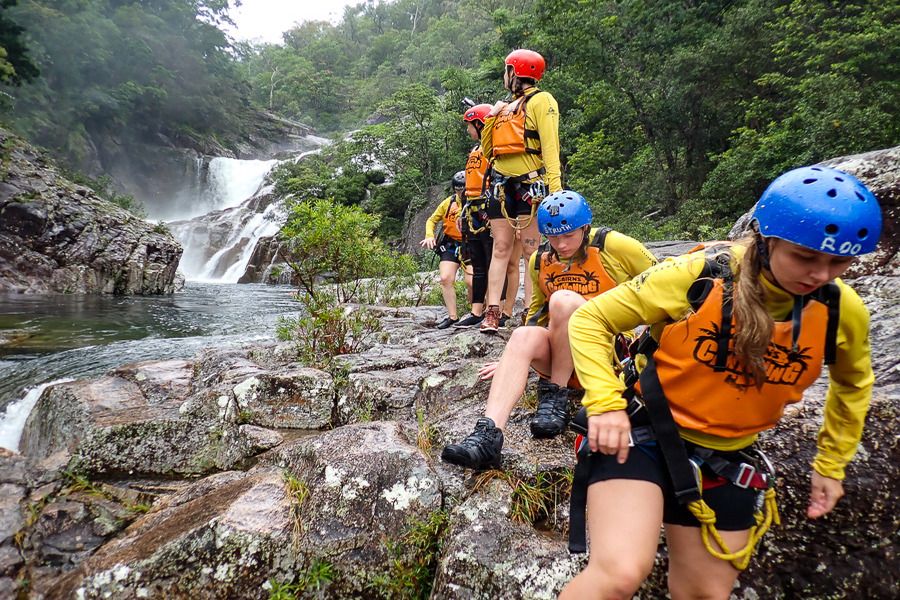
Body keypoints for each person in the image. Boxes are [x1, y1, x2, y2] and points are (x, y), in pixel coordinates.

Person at [561, 166, 882, 600]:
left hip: (727, 460)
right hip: (643, 436)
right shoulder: (702, 275)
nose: (821, 274)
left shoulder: (842, 311)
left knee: (705, 595)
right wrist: (605, 403)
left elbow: (853, 384)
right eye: (806, 257)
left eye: (839, 262)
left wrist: (832, 463)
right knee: (619, 574)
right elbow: (591, 318)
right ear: (767, 241)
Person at [441, 191, 657, 469]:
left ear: (585, 228)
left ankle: (555, 394)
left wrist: (652, 344)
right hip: (563, 353)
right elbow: (536, 314)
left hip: (607, 353)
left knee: (563, 300)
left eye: (568, 235)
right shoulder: (540, 259)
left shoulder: (612, 246)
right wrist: (513, 360)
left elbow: (662, 282)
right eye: (553, 237)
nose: (561, 244)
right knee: (521, 336)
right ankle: (488, 437)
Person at [479, 48, 562, 334]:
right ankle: (493, 311)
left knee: (530, 251)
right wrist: (492, 117)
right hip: (502, 186)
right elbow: (489, 151)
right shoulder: (504, 108)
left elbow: (551, 148)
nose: (505, 76)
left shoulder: (543, 101)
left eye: (506, 70)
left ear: (515, 72)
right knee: (501, 248)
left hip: (531, 185)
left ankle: (530, 310)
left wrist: (556, 190)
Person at [420, 174, 472, 329]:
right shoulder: (447, 203)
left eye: (463, 190)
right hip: (451, 244)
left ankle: (475, 312)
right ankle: (453, 316)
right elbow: (432, 220)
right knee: (445, 278)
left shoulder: (475, 203)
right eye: (458, 190)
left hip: (470, 244)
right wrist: (429, 235)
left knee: (471, 282)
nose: (460, 194)